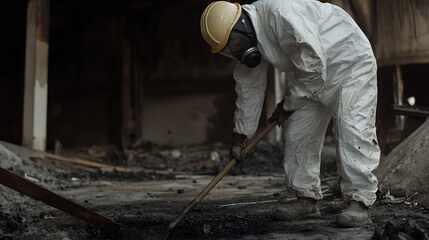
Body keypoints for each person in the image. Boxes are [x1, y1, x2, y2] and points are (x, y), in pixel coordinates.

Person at [200, 0, 380, 228]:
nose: (235, 49)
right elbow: (249, 91)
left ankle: (360, 201)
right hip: (311, 78)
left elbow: (314, 65)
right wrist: (241, 135)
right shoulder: (248, 43)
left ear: (241, 25)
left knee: (352, 129)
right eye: (229, 49)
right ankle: (306, 199)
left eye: (234, 42)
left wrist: (287, 105)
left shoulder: (278, 14)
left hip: (349, 65)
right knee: (297, 132)